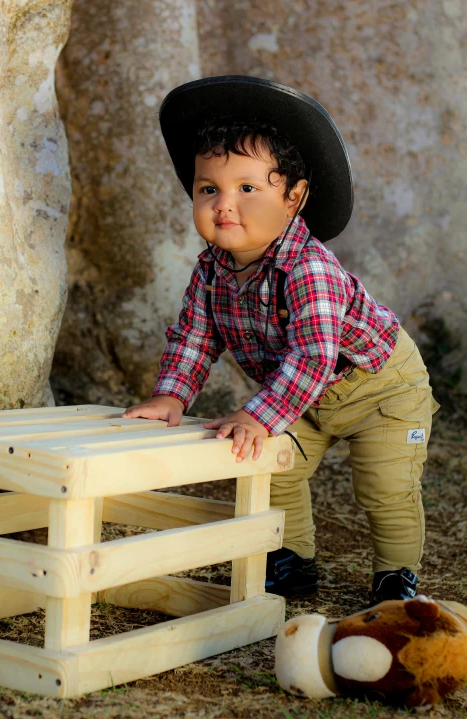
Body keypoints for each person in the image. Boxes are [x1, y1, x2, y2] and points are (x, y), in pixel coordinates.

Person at [123, 75, 439, 603]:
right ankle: (291, 560)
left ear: (293, 197)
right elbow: (196, 337)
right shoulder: (211, 270)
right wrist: (172, 393)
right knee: (272, 466)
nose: (225, 205)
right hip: (299, 395)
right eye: (209, 190)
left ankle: (395, 577)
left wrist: (257, 413)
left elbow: (314, 354)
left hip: (379, 388)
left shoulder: (309, 267)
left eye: (248, 189)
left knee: (385, 488)